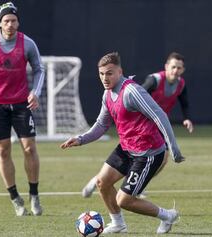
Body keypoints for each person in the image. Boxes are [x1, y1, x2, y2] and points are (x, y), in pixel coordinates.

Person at [60, 52, 184, 234]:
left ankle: (168, 216)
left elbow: (160, 115)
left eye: (109, 73)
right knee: (102, 182)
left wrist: (173, 148)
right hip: (126, 148)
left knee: (124, 200)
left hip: (147, 154)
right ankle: (118, 223)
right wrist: (80, 139)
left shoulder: (132, 91)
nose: (104, 78)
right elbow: (102, 124)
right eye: (101, 73)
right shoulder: (107, 94)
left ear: (120, 72)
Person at [82, 52, 193, 198]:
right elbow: (138, 95)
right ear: (166, 67)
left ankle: (137, 184)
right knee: (154, 158)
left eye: (179, 68)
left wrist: (187, 118)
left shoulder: (181, 84)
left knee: (162, 160)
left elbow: (184, 103)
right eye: (173, 67)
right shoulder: (155, 80)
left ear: (183, 70)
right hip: (143, 127)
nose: (175, 71)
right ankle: (100, 180)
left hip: (157, 125)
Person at [0, 2, 45, 216]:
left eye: (13, 20)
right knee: (3, 150)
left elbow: (39, 69)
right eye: (6, 21)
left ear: (18, 22)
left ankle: (34, 195)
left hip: (21, 103)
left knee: (29, 148)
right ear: (0, 23)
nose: (10, 24)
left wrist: (35, 92)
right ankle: (15, 198)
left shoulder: (28, 44)